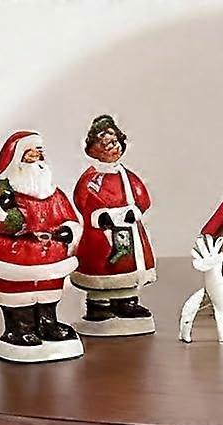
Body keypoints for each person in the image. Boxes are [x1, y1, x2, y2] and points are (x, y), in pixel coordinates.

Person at [0, 130, 84, 361]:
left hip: (50, 254)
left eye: (39, 151)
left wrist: (68, 231)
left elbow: (69, 218)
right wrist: (3, 211)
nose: (36, 156)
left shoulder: (54, 194)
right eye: (30, 152)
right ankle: (19, 328)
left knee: (48, 291)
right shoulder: (5, 193)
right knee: (18, 293)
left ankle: (47, 323)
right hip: (14, 255)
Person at [71, 114, 156, 335]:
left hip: (129, 229)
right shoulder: (91, 178)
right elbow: (83, 199)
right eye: (107, 144)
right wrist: (102, 216)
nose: (113, 148)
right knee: (104, 267)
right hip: (102, 234)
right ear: (95, 149)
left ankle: (126, 302)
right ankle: (99, 305)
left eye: (115, 142)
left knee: (127, 265)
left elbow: (142, 197)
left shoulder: (127, 176)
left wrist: (134, 211)